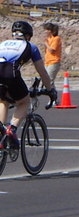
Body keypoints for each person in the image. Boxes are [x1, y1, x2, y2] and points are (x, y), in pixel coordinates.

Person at [0, 21, 57, 149]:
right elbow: (42, 72)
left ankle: (1, 134)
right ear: (28, 36)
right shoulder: (31, 46)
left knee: (3, 100)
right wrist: (50, 89)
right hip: (11, 74)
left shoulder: (3, 43)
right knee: (24, 102)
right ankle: (11, 130)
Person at [43, 23, 62, 90]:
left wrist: (46, 43)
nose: (45, 31)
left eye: (46, 30)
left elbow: (52, 50)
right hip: (47, 62)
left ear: (50, 31)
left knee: (49, 80)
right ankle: (53, 97)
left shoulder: (56, 39)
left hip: (54, 62)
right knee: (47, 81)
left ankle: (53, 97)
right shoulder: (49, 39)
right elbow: (46, 51)